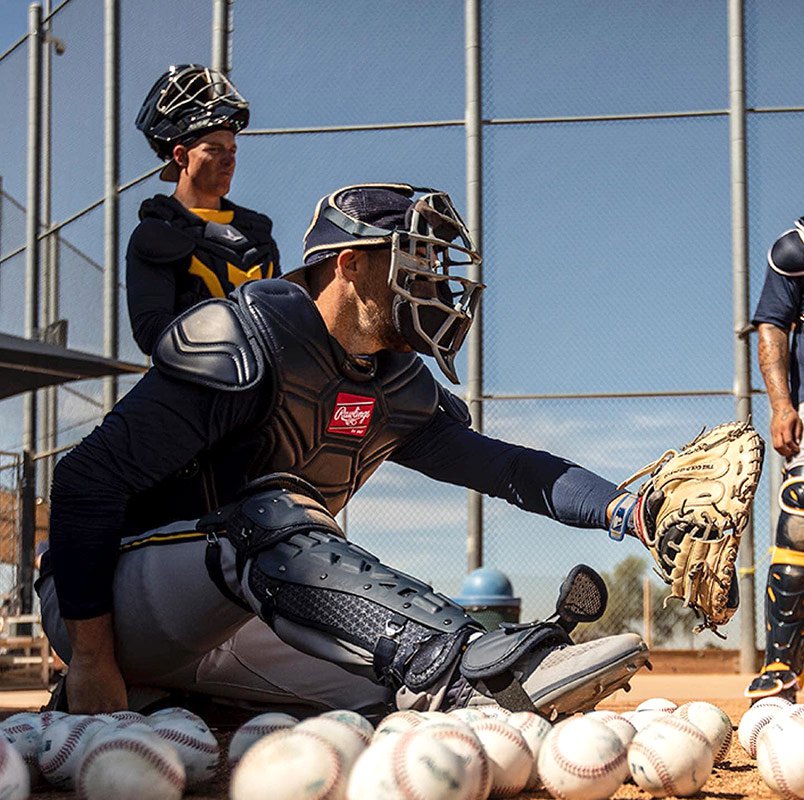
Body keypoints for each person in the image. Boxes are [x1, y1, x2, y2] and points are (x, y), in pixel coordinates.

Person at [40, 182, 664, 722]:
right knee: (272, 509)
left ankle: (185, 699)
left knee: (395, 700)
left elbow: (509, 469)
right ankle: (465, 662)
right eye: (414, 263)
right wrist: (94, 657)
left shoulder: (391, 384)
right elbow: (81, 484)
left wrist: (633, 512)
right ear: (348, 265)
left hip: (237, 620)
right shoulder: (241, 344)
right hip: (113, 606)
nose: (436, 284)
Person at [126, 64, 280, 355]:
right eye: (213, 149)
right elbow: (151, 331)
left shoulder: (257, 233)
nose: (228, 160)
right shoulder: (157, 232)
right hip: (194, 389)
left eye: (232, 150)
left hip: (265, 391)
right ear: (181, 156)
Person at [749, 216, 804, 703]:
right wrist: (782, 404)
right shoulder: (798, 247)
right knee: (800, 518)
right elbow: (772, 325)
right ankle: (782, 663)